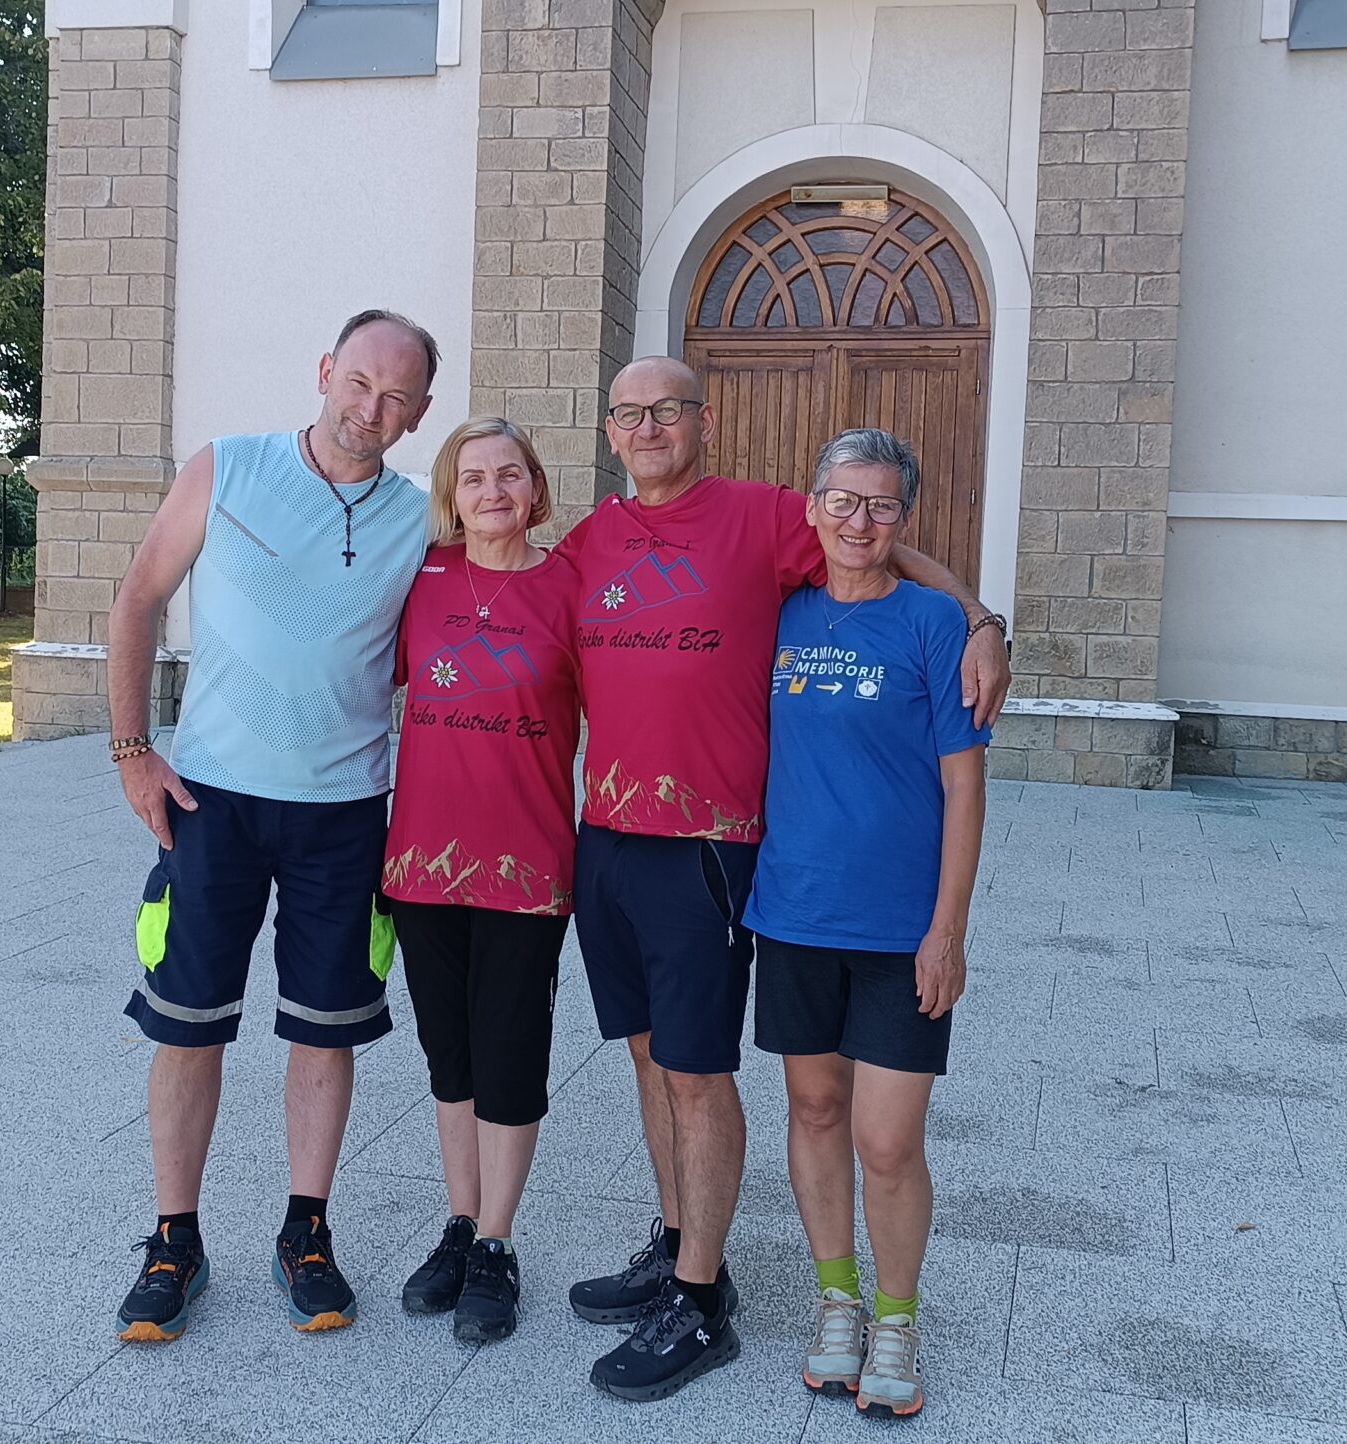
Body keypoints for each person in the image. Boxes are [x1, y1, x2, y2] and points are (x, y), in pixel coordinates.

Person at [557, 358, 1010, 1402]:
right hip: (625, 842)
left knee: (703, 1072)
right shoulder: (594, 540)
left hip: (712, 848)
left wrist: (982, 619)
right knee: (654, 1059)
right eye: (630, 412)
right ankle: (680, 1245)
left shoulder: (763, 520)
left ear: (704, 422)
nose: (650, 426)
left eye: (669, 410)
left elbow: (880, 546)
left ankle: (706, 1296)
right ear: (611, 430)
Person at [103, 309, 439, 1342]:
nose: (371, 409)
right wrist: (132, 749)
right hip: (210, 802)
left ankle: (307, 1232)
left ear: (419, 413)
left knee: (324, 1030)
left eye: (396, 398)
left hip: (345, 812)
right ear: (326, 370)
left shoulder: (421, 517)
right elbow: (138, 597)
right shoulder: (227, 467)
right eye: (360, 383)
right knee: (188, 1024)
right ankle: (175, 1239)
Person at [746, 429, 988, 1420]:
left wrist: (948, 929)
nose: (859, 521)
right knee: (814, 1111)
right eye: (841, 501)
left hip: (900, 929)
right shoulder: (778, 612)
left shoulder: (932, 623)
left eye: (881, 505)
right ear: (811, 508)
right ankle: (836, 1301)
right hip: (793, 912)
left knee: (887, 1140)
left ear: (905, 518)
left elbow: (964, 787)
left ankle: (896, 1316)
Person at [381, 417, 580, 1344]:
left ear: (535, 488)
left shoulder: (570, 586)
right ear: (451, 496)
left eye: (509, 474)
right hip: (422, 859)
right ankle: (460, 1224)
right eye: (473, 478)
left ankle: (498, 1242)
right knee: (449, 1053)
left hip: (525, 864)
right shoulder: (419, 578)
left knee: (510, 1052)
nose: (492, 491)